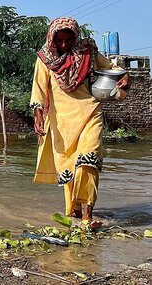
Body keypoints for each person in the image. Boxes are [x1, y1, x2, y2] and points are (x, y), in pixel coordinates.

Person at [30, 17, 130, 229]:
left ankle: (87, 214)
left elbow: (114, 71)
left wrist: (125, 79)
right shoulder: (45, 59)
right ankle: (74, 211)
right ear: (52, 39)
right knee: (68, 168)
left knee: (89, 160)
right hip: (61, 120)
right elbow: (38, 89)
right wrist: (38, 116)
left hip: (90, 112)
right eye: (60, 41)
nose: (64, 45)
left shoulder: (88, 53)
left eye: (69, 40)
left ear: (76, 37)